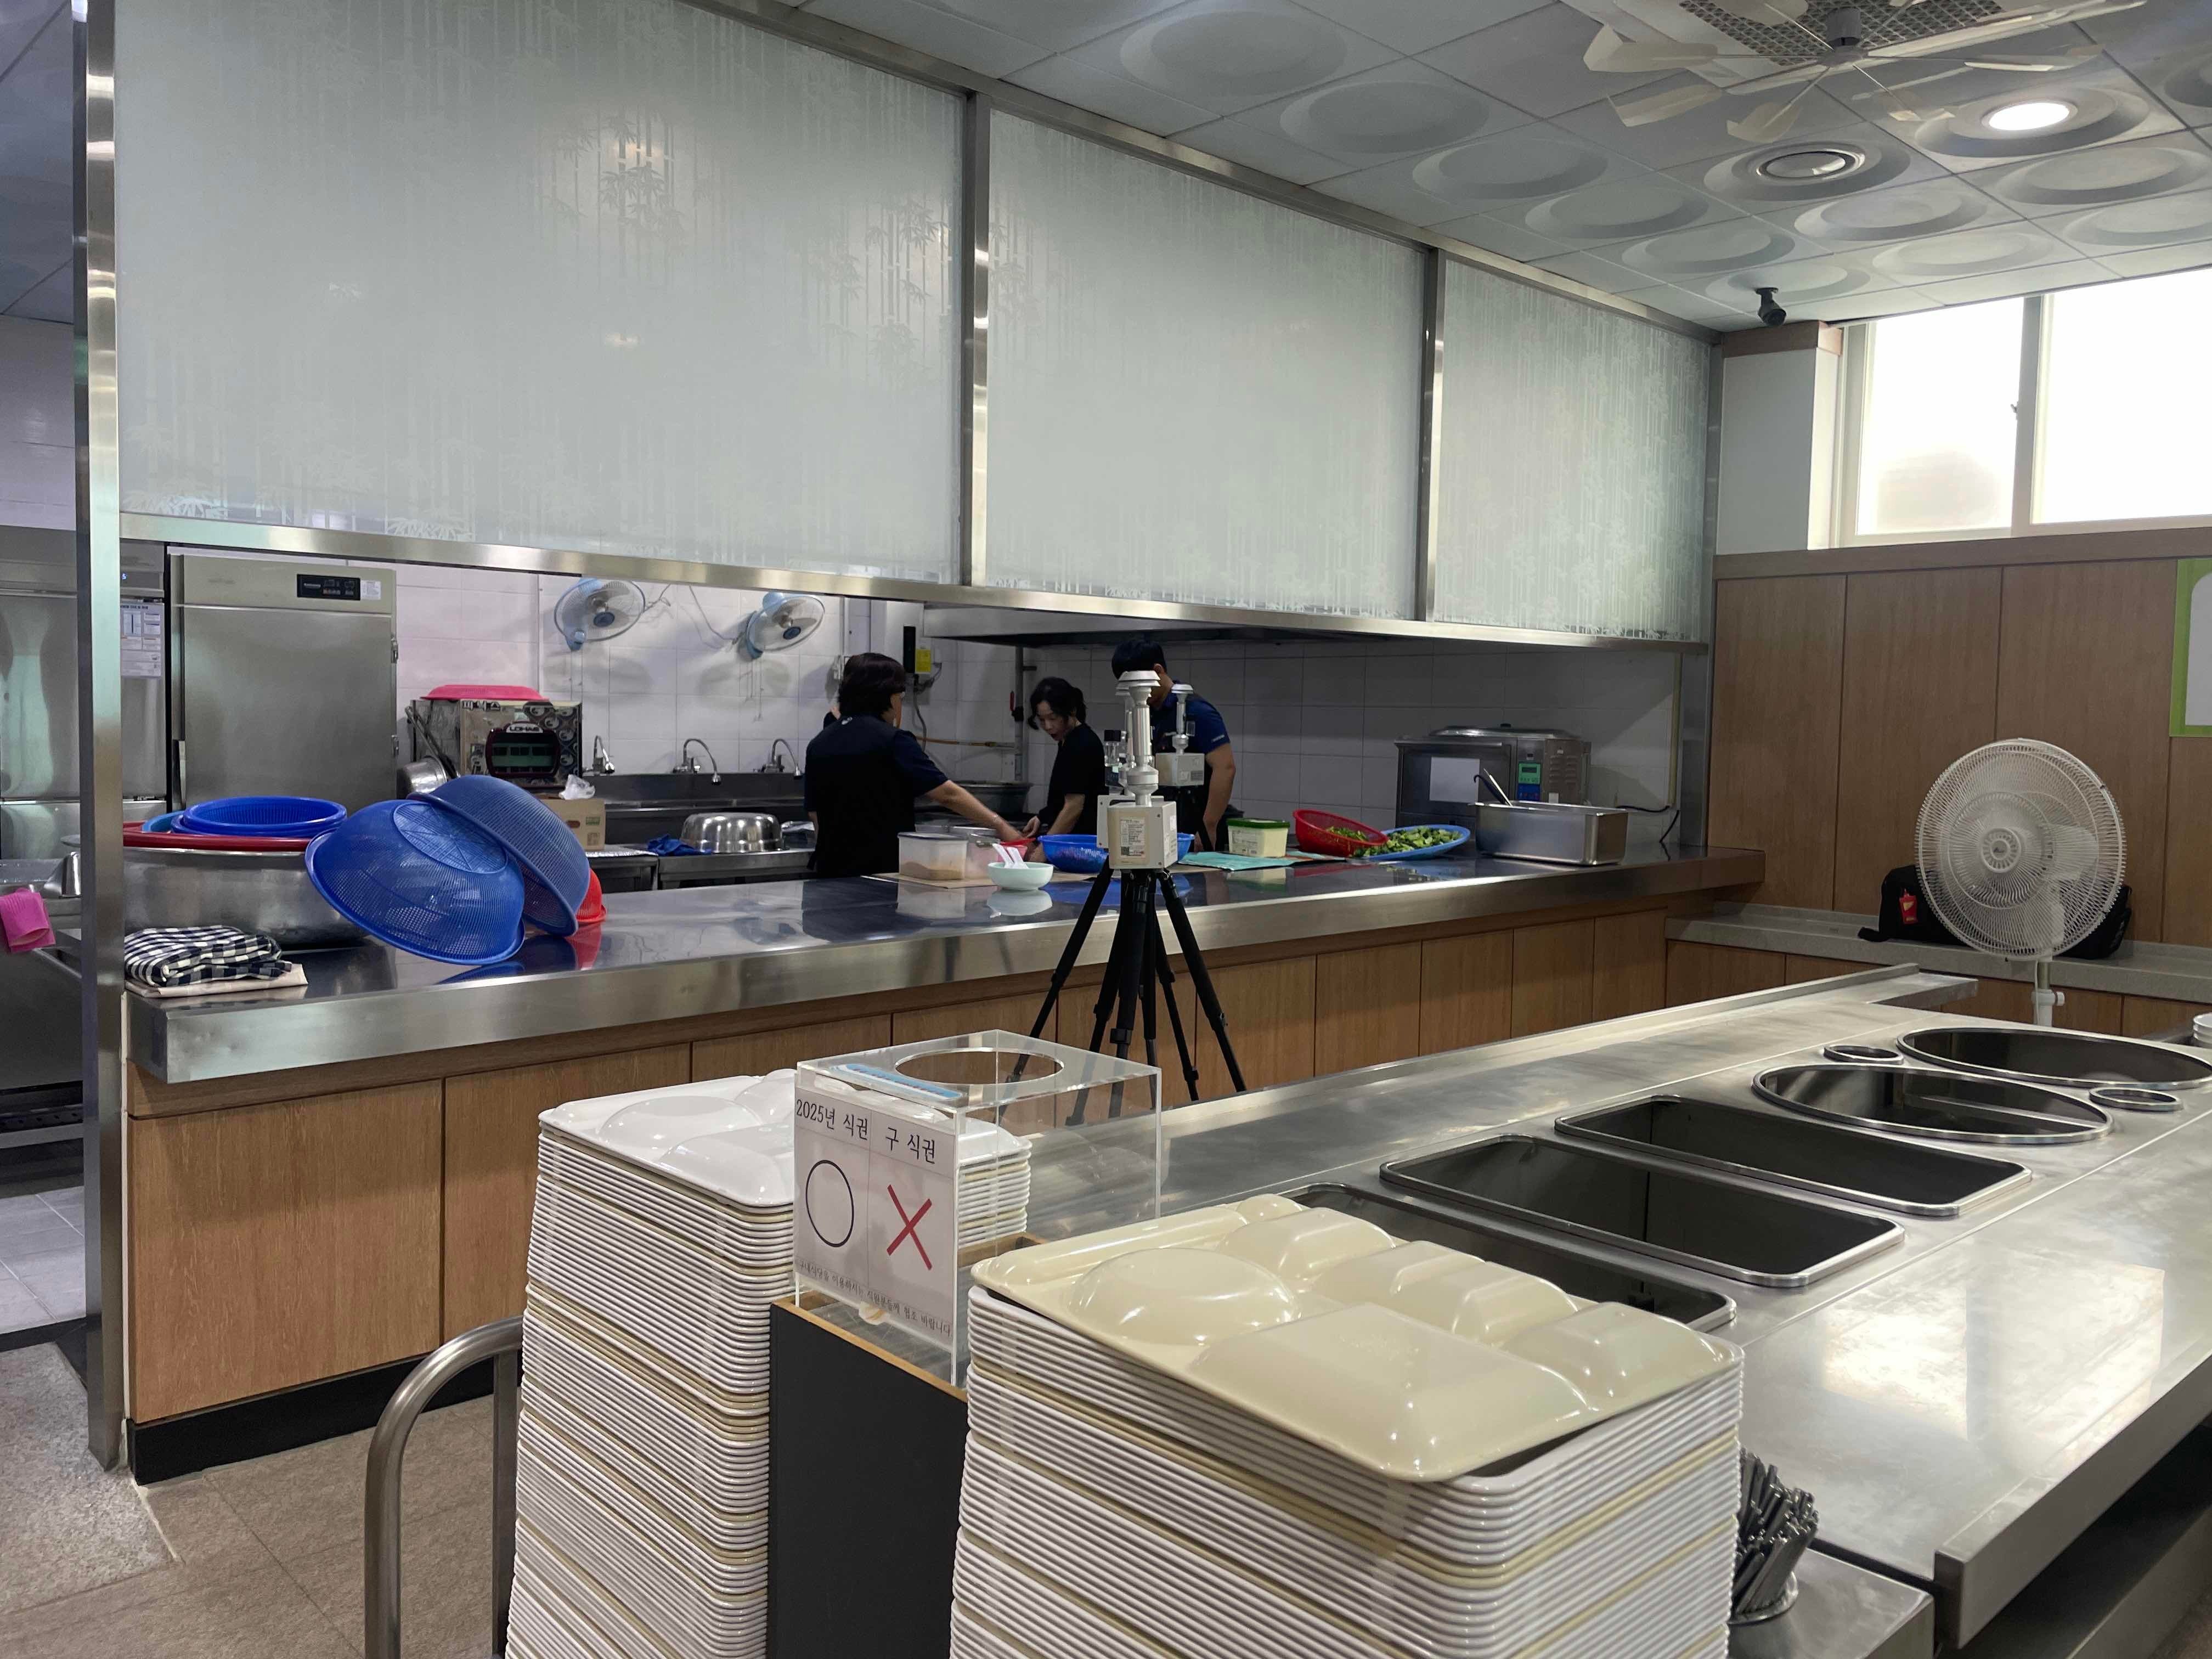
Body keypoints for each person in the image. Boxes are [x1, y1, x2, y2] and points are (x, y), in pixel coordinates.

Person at [805, 652, 1033, 878]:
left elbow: (815, 814)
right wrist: (1002, 827)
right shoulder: (893, 741)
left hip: (830, 872)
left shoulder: (819, 743)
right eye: (901, 695)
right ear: (888, 697)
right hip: (881, 873)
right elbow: (948, 795)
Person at [1108, 640, 1237, 851]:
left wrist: (1209, 825)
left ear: (1158, 671)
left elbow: (1225, 768)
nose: (1134, 693)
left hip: (1197, 823)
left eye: (1138, 686)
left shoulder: (1197, 711)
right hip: (1165, 819)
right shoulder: (1146, 712)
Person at [1029, 676, 1108, 839]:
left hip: (1081, 842)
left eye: (1053, 718)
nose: (1048, 726)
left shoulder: (1081, 744)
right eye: (1042, 720)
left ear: (1071, 711)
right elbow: (1064, 793)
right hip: (1071, 839)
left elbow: (1074, 807)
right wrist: (1043, 816)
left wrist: (1044, 848)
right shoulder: (1068, 740)